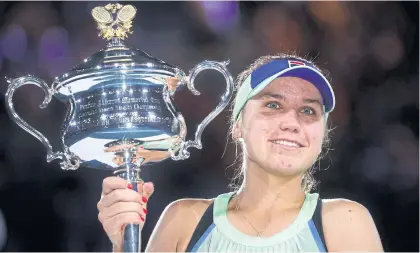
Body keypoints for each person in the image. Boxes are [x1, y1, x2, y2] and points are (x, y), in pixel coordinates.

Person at [96, 53, 384, 252]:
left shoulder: (346, 221)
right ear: (237, 126)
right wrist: (122, 245)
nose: (292, 123)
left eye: (308, 111)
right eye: (273, 105)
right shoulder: (183, 220)